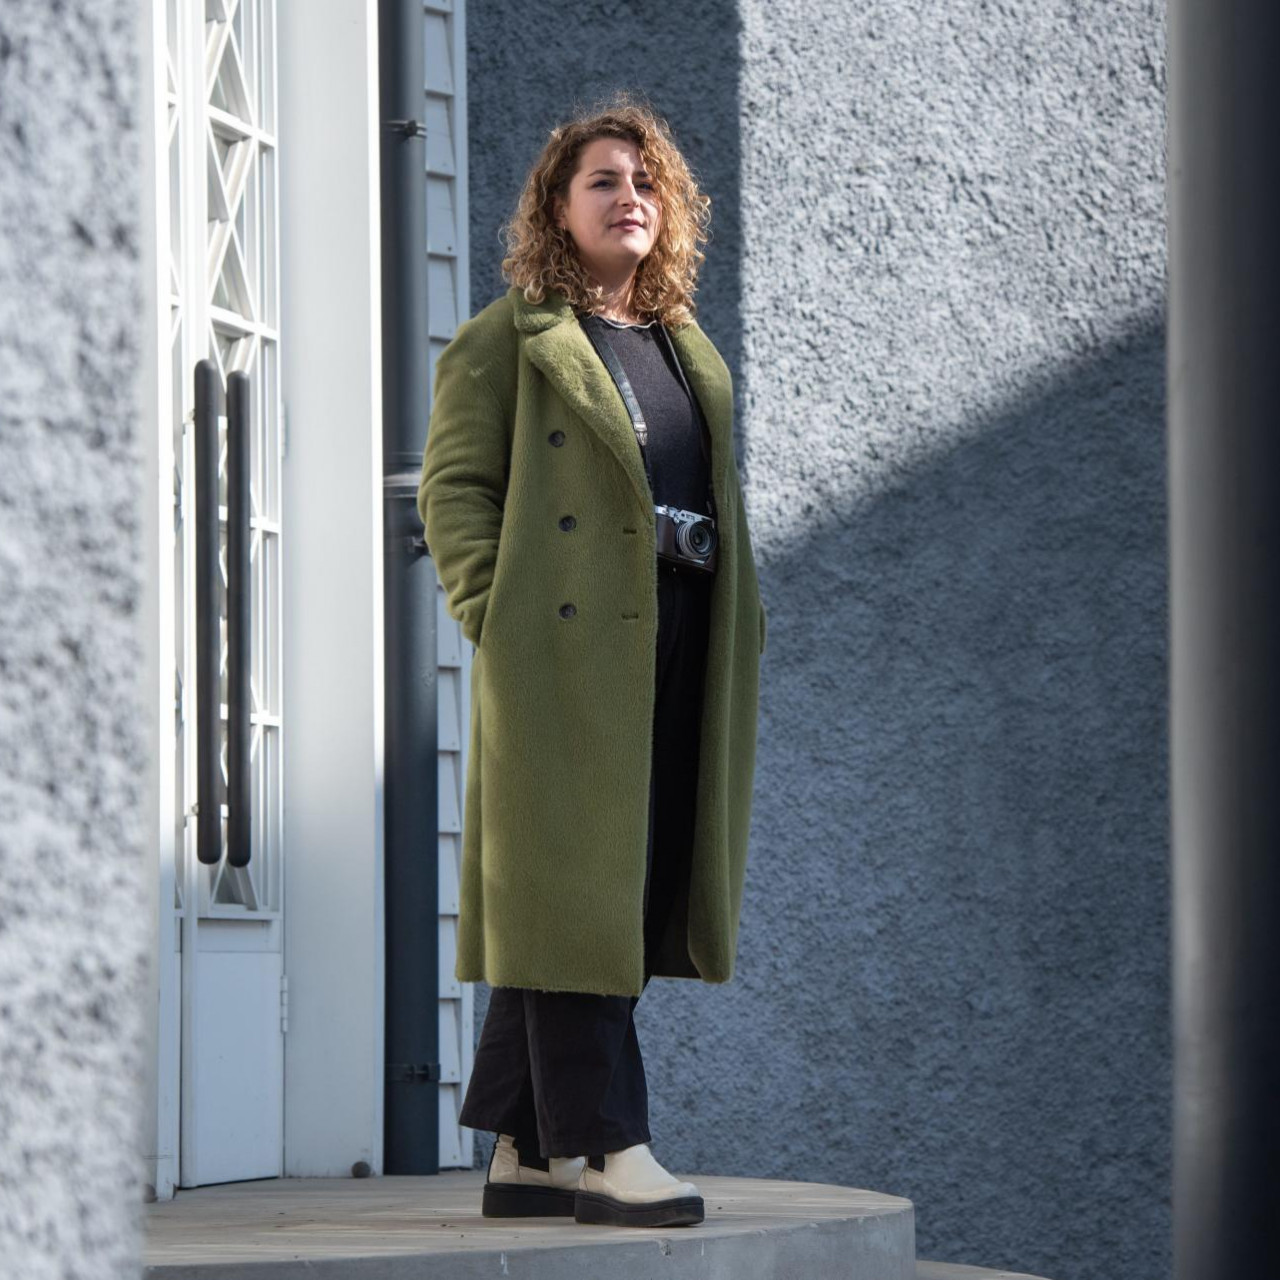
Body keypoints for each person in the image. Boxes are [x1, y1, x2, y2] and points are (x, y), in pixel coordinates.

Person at [417, 91, 766, 1230]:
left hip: (678, 639)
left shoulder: (681, 346)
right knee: (575, 896)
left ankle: (527, 1149)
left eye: (645, 181)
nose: (629, 197)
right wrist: (497, 611)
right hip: (563, 660)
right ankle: (613, 1149)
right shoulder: (509, 341)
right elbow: (454, 490)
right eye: (603, 181)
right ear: (557, 209)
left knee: (624, 888)